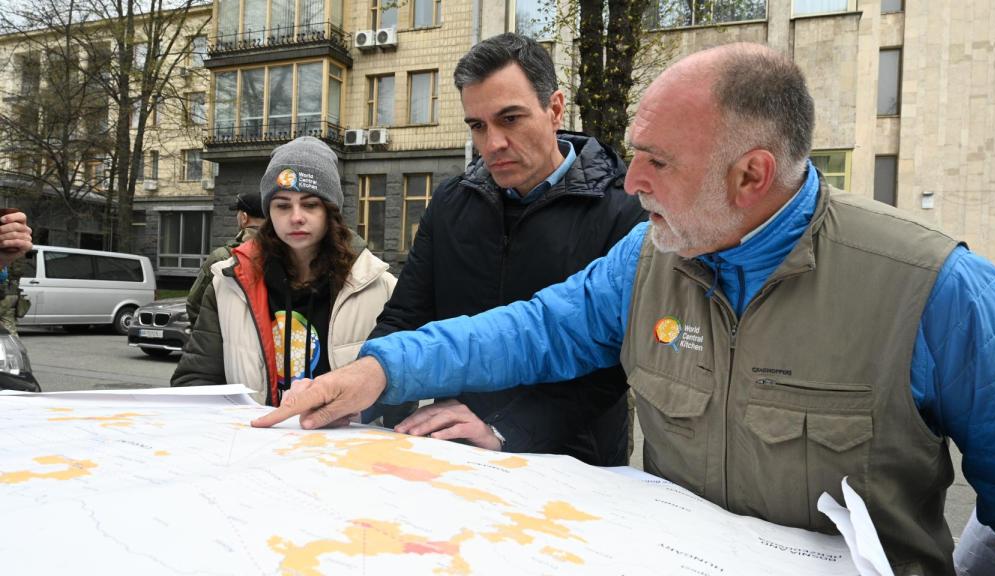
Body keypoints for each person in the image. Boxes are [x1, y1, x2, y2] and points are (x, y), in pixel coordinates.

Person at [253, 44, 995, 573]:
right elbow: (535, 329)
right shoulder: (650, 257)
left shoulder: (940, 293)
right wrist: (381, 370)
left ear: (751, 175)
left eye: (657, 162)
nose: (630, 183)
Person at [370, 33, 645, 464]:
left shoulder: (622, 209)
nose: (493, 143)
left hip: (572, 463)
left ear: (555, 109)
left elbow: (615, 363)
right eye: (478, 126)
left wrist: (506, 430)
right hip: (456, 447)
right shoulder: (450, 202)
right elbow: (406, 316)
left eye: (510, 119)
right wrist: (364, 390)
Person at [172, 136, 396, 406]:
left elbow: (397, 394)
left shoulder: (380, 288)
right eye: (283, 205)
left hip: (339, 433)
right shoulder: (228, 284)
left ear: (331, 211)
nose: (296, 217)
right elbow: (195, 382)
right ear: (269, 211)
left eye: (310, 204)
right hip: (255, 432)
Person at [185, 190, 266, 326]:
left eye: (238, 213)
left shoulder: (222, 257)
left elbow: (195, 305)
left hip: (227, 335)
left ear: (244, 218)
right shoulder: (286, 253)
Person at [0, 209, 34, 334]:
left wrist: (3, 260)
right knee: (9, 328)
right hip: (8, 293)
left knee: (9, 333)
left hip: (8, 293)